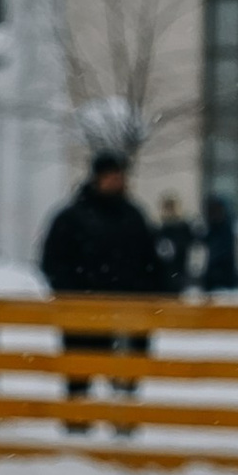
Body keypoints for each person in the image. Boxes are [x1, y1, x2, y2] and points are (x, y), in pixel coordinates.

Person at [40, 149, 166, 432]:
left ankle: (123, 423)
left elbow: (152, 262)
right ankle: (77, 424)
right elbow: (54, 262)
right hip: (83, 313)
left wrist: (152, 292)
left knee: (126, 373)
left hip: (127, 313)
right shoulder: (72, 218)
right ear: (98, 177)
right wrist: (76, 295)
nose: (117, 181)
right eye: (112, 176)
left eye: (120, 176)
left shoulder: (133, 216)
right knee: (80, 371)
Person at [149, 191, 201, 298]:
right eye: (167, 207)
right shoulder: (158, 231)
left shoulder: (184, 229)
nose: (170, 210)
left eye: (172, 206)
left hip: (180, 277)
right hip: (161, 280)